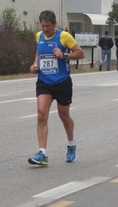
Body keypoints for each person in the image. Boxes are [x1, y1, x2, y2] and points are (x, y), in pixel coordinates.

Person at [28, 10, 85, 165]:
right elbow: (39, 54)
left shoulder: (64, 36)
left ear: (54, 24)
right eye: (43, 25)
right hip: (44, 81)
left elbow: (80, 54)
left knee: (64, 116)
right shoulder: (39, 36)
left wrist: (64, 55)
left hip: (62, 82)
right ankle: (42, 154)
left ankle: (71, 143)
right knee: (41, 115)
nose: (45, 29)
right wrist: (35, 65)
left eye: (48, 26)